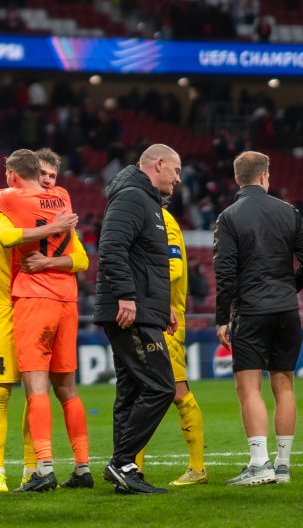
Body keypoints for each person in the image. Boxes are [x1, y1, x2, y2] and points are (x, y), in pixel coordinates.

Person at [0, 148, 86, 493]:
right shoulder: (58, 201)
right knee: (5, 393)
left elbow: (80, 257)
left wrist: (45, 261)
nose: (47, 181)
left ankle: (37, 468)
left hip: (32, 299)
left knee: (35, 389)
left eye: (52, 177)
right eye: (42, 174)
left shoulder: (13, 201)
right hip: (18, 305)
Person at [94, 144, 181, 495]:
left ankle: (126, 470)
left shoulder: (148, 201)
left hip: (144, 308)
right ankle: (121, 462)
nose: (177, 178)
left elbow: (144, 260)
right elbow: (111, 247)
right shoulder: (132, 197)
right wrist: (127, 297)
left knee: (130, 391)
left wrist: (164, 308)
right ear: (158, 164)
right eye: (175, 170)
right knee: (162, 386)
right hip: (129, 310)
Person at [213, 151, 303, 486]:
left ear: (238, 179)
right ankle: (282, 466)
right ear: (265, 176)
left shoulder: (229, 217)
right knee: (284, 385)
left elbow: (225, 274)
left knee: (248, 387)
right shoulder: (290, 212)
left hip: (250, 311)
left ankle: (259, 463)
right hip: (286, 311)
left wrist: (222, 318)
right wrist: (288, 288)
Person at [135, 205, 207, 486]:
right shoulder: (147, 218)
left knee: (178, 391)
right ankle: (133, 468)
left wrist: (150, 297)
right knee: (139, 393)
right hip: (150, 317)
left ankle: (198, 468)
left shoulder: (162, 220)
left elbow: (174, 267)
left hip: (165, 321)